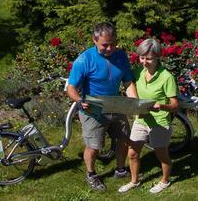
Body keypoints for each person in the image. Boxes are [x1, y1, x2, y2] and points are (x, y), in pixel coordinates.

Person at [67, 21, 138, 192]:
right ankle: (91, 174)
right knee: (94, 146)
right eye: (105, 45)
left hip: (115, 104)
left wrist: (135, 103)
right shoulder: (84, 59)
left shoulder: (120, 56)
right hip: (93, 109)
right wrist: (78, 101)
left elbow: (128, 81)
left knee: (123, 139)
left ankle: (120, 170)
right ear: (94, 40)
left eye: (113, 44)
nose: (109, 48)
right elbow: (71, 88)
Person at [118, 37, 178, 195]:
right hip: (142, 119)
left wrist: (162, 106)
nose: (144, 62)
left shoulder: (167, 77)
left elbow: (175, 105)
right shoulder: (138, 71)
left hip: (159, 121)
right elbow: (127, 84)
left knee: (162, 155)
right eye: (142, 57)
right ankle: (134, 181)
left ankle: (165, 181)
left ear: (158, 57)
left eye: (149, 58)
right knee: (132, 152)